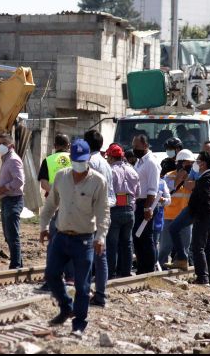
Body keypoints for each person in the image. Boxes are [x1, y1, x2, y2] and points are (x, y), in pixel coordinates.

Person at [40, 139, 109, 336]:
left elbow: (104, 213)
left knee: (82, 285)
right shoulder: (61, 177)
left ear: (88, 159)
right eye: (76, 160)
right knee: (51, 274)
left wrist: (101, 237)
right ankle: (66, 307)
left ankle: (79, 324)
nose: (79, 164)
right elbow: (50, 205)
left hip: (84, 240)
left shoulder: (98, 181)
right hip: (61, 237)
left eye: (82, 160)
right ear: (71, 158)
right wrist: (44, 226)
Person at [36, 133, 72, 292]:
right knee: (72, 240)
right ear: (68, 146)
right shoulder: (75, 160)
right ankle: (71, 278)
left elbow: (44, 184)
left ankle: (52, 277)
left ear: (54, 146)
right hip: (72, 206)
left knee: (54, 242)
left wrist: (56, 193)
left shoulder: (48, 160)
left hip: (55, 206)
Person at [84, 130, 113, 307]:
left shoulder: (90, 163)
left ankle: (87, 292)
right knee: (101, 255)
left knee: (86, 255)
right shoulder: (105, 163)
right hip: (105, 212)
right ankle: (100, 294)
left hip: (92, 214)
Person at [105, 143, 139, 278]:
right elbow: (138, 192)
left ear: (111, 157)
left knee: (112, 243)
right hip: (130, 210)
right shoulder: (132, 170)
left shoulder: (110, 171)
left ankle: (110, 274)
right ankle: (126, 272)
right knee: (127, 243)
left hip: (114, 210)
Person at [0, 133, 25, 270]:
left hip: (13, 200)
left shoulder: (13, 160)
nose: (0, 146)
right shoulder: (6, 159)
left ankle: (15, 266)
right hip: (7, 200)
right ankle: (18, 264)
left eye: (3, 143)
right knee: (8, 235)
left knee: (12, 235)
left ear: (10, 145)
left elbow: (19, 181)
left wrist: (3, 189)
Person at [188, 151, 210, 285]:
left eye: (198, 161)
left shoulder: (205, 179)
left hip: (204, 216)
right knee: (208, 246)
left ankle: (202, 277)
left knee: (198, 247)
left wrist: (198, 214)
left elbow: (205, 199)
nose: (196, 163)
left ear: (204, 163)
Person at [161, 150, 195, 269]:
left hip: (185, 218)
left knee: (184, 247)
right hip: (169, 216)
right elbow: (165, 192)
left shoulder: (193, 177)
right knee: (165, 248)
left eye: (191, 163)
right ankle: (161, 269)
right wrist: (178, 179)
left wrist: (187, 180)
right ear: (179, 163)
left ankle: (179, 268)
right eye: (186, 163)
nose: (189, 166)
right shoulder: (169, 176)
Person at [132, 134, 160, 274]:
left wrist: (148, 208)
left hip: (146, 202)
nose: (134, 149)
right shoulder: (139, 162)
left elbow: (152, 189)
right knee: (137, 237)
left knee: (146, 237)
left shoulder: (151, 162)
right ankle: (141, 267)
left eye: (136, 146)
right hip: (138, 203)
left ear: (145, 145)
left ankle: (149, 269)